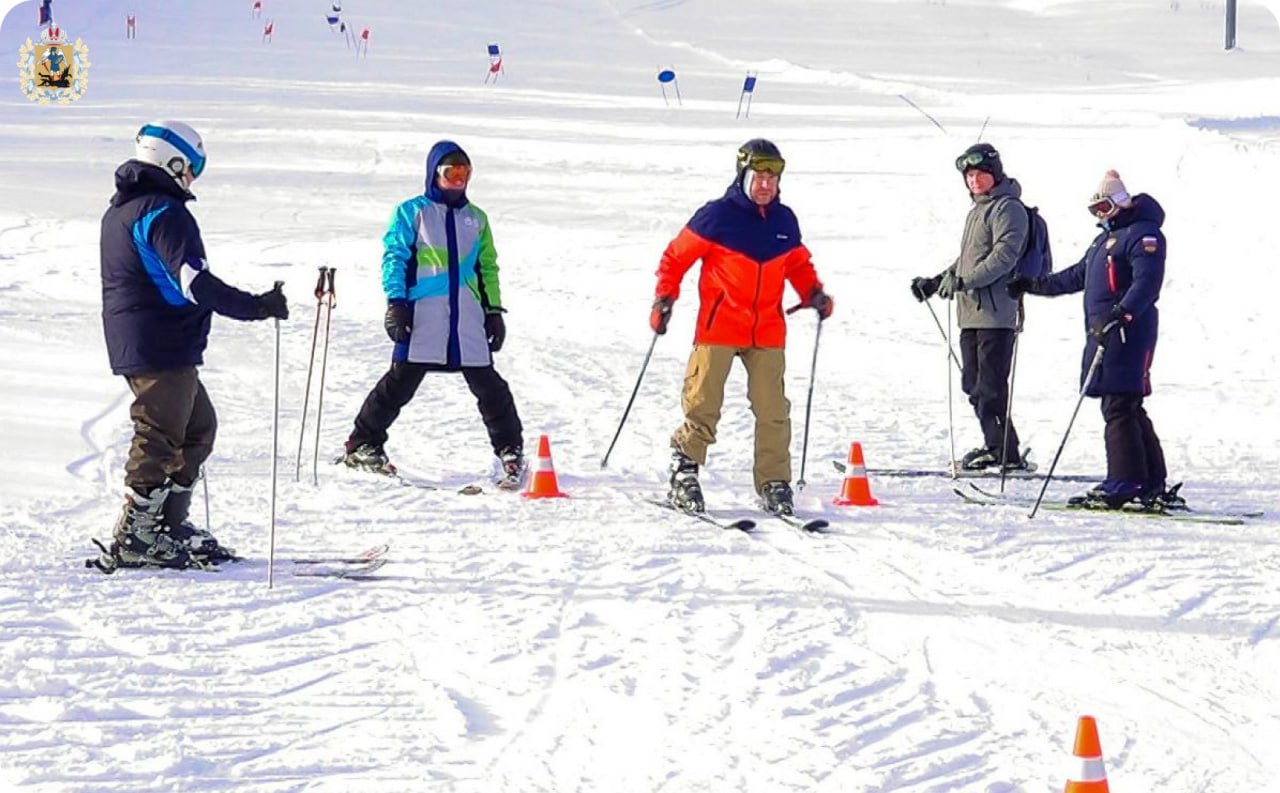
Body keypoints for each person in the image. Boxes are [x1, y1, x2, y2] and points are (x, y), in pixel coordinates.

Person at [99, 120, 289, 570]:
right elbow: (194, 282)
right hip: (158, 340)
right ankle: (138, 533)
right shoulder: (162, 212)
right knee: (160, 430)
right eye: (193, 168)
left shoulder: (125, 209)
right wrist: (257, 306)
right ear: (173, 162)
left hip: (152, 339)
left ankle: (168, 523)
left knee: (197, 427)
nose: (192, 178)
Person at [651, 138, 833, 516]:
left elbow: (797, 263)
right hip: (719, 327)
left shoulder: (784, 221)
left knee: (773, 410)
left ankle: (774, 482)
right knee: (703, 404)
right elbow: (675, 258)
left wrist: (812, 292)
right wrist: (664, 299)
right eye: (758, 176)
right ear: (743, 176)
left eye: (772, 177)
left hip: (767, 330)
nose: (765, 184)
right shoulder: (716, 216)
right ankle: (684, 472)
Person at [338, 140, 525, 487]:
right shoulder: (413, 212)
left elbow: (487, 267)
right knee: (400, 382)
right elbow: (395, 257)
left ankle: (510, 449)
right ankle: (363, 443)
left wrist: (493, 311)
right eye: (451, 173)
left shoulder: (476, 219)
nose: (458, 180)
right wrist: (396, 302)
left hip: (466, 317)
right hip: (424, 314)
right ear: (434, 174)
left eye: (464, 173)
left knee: (490, 386)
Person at [1008, 170, 1181, 510]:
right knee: (1126, 403)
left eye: (1104, 207)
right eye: (1095, 210)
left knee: (1118, 403)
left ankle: (1124, 481)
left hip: (1127, 331)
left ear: (1120, 202)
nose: (1100, 215)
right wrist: (1033, 284)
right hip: (1105, 329)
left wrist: (1122, 313)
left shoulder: (1144, 234)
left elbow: (1147, 283)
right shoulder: (1104, 240)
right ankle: (1149, 480)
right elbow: (1077, 276)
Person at [910, 142, 1031, 472]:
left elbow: (1003, 257)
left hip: (996, 314)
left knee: (990, 387)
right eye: (969, 176)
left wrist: (964, 282)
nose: (974, 180)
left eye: (980, 174)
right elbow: (967, 260)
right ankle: (998, 446)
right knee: (973, 385)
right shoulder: (978, 210)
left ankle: (1004, 452)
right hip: (971, 313)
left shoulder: (1008, 209)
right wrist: (936, 282)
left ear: (995, 174)